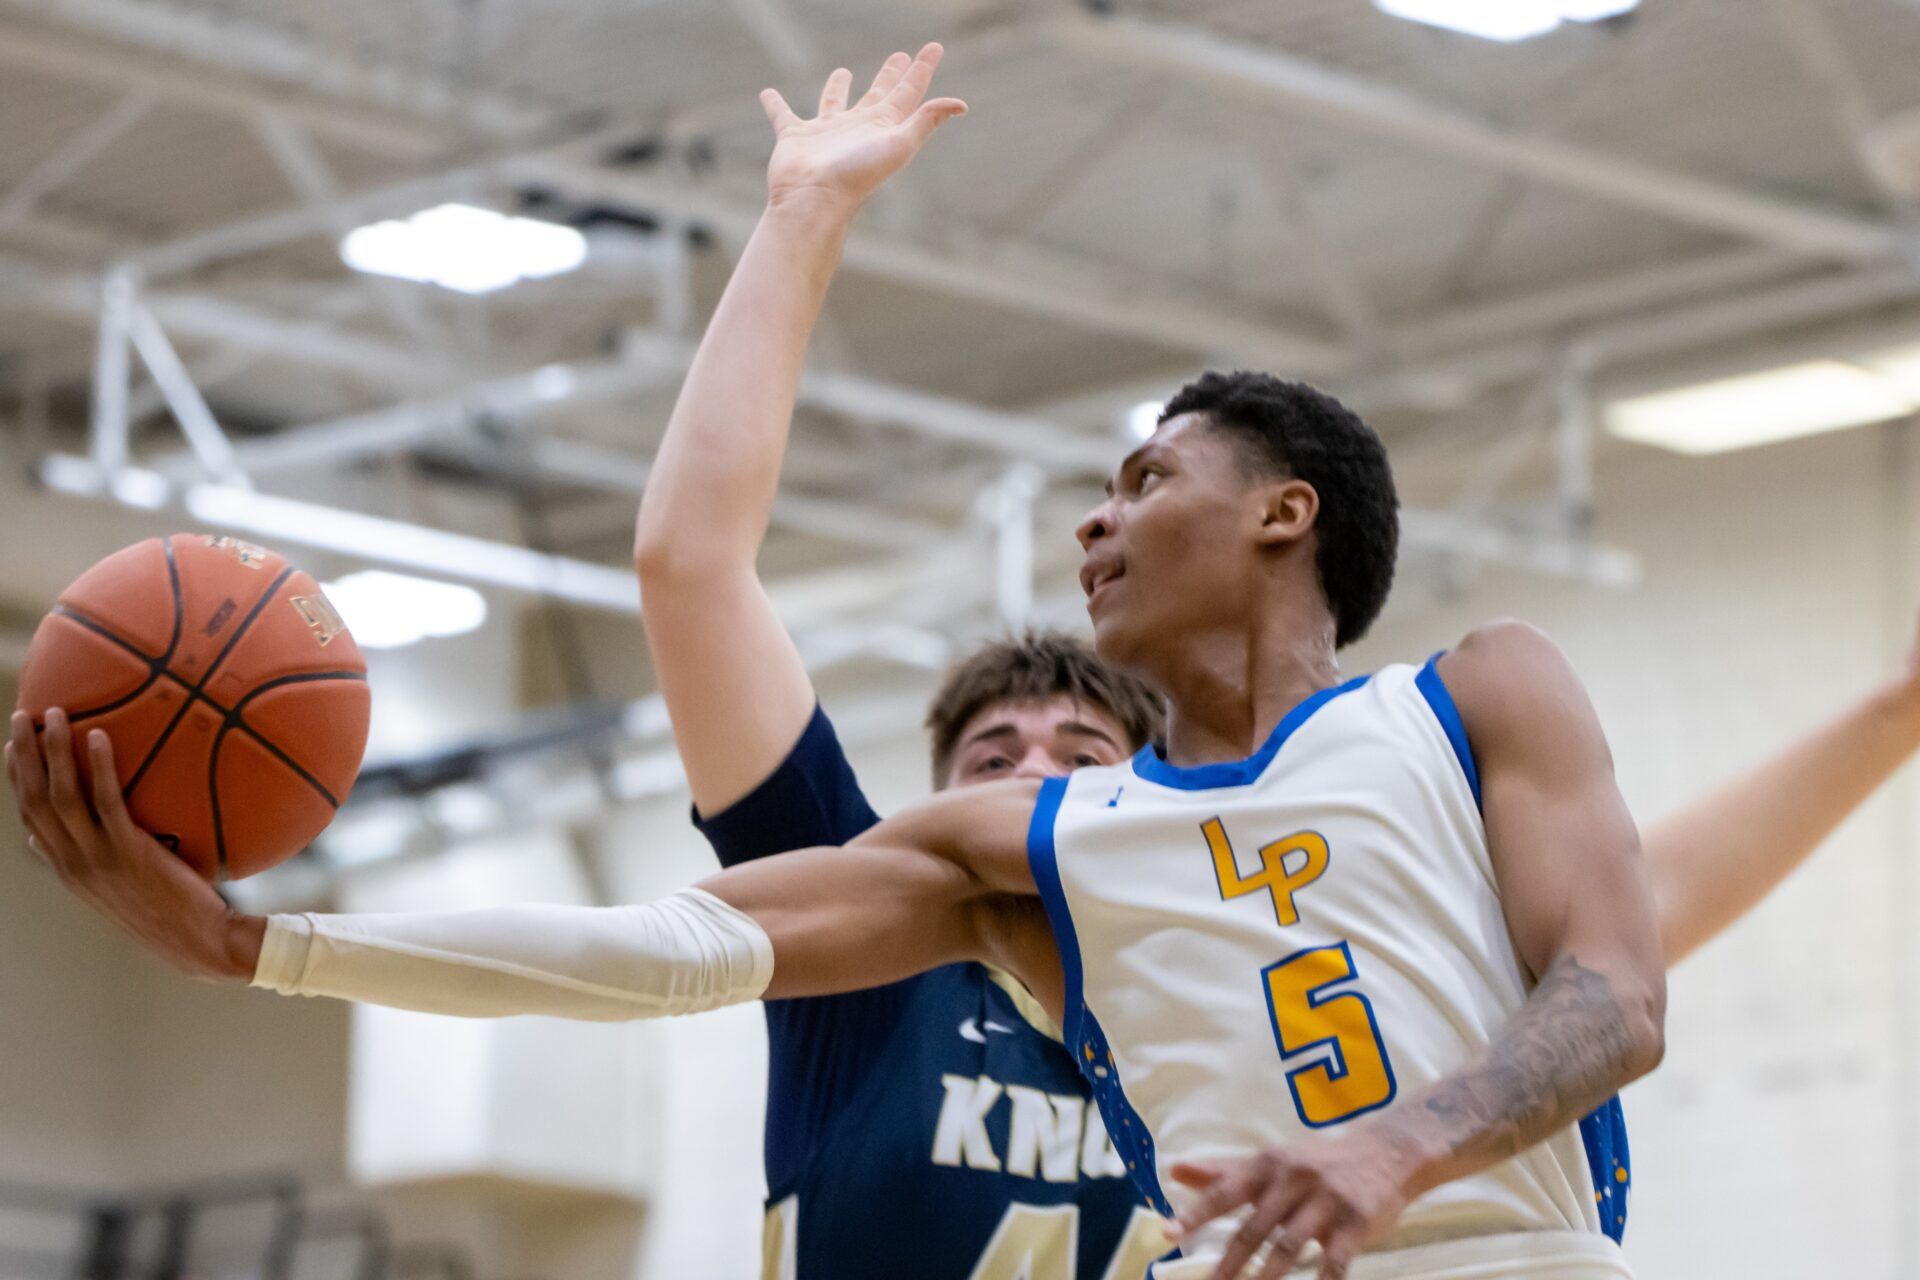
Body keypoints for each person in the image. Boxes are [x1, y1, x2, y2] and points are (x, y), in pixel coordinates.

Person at [10, 43, 1920, 1280]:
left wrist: (1392, 1158)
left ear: (1285, 515)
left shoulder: (1476, 696)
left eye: (1145, 477)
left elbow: (1622, 984)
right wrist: (269, 949)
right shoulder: (1040, 852)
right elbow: (675, 945)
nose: (1096, 520)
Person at [628, 40, 1920, 1280]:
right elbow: (692, 569)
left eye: (1079, 758)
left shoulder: (1254, 912)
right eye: (993, 762)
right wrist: (802, 216)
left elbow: (1641, 908)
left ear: (1149, 801)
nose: (1034, 775)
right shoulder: (872, 963)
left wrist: (1897, 708)